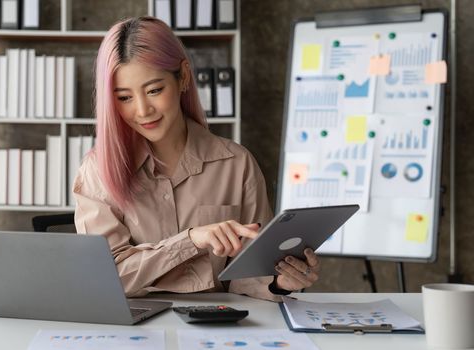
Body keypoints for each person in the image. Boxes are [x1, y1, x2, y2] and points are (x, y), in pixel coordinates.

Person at [73, 16, 320, 301]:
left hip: (218, 328)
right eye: (125, 98)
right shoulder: (97, 171)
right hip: (136, 331)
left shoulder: (236, 164)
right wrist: (191, 240)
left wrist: (280, 282)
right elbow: (105, 279)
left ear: (183, 77)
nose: (142, 110)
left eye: (154, 90)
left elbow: (249, 279)